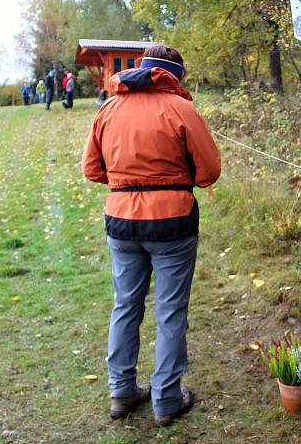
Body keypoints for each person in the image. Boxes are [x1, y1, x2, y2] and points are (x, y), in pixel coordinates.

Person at [82, 45, 220, 425]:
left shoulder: (108, 109)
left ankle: (122, 391)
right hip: (173, 222)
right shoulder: (182, 109)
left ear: (142, 70)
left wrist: (129, 182)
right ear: (174, 75)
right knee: (170, 311)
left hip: (121, 221)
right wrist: (171, 181)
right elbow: (208, 172)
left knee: (126, 305)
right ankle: (166, 399)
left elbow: (92, 169)